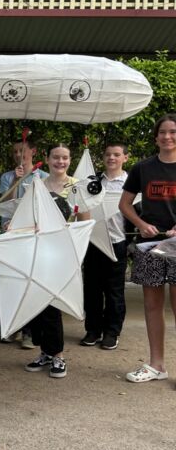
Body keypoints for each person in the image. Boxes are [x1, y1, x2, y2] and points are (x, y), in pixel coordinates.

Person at [24, 144, 89, 379]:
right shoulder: (37, 184)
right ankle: (45, 352)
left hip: (62, 254)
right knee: (38, 303)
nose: (60, 162)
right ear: (47, 159)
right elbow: (29, 216)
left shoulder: (77, 187)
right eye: (55, 157)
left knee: (52, 305)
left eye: (64, 158)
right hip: (38, 251)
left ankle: (58, 355)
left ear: (70, 160)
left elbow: (84, 222)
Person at [121, 114, 176, 383]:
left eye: (173, 131)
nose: (167, 137)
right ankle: (157, 366)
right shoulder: (142, 168)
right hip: (149, 245)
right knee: (152, 305)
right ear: (155, 137)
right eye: (162, 132)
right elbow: (125, 205)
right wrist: (140, 224)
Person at [0, 138, 47, 349]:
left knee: (31, 280)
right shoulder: (7, 176)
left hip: (33, 234)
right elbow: (2, 202)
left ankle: (30, 331)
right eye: (15, 152)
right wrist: (13, 182)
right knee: (13, 279)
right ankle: (13, 327)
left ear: (33, 151)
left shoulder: (43, 177)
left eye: (23, 151)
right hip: (11, 232)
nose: (19, 155)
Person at [80, 143, 129, 350]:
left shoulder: (130, 183)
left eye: (116, 154)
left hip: (117, 242)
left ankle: (112, 332)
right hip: (93, 243)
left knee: (114, 291)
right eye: (108, 154)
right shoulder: (94, 180)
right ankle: (93, 330)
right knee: (92, 289)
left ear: (125, 158)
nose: (112, 158)